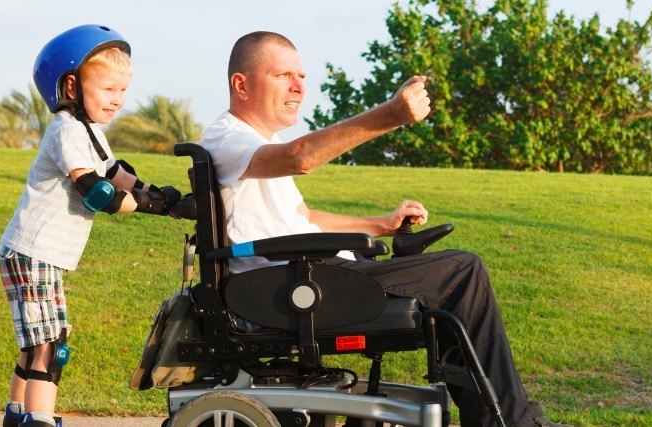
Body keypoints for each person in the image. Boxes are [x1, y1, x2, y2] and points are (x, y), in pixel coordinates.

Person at [197, 31, 569, 427]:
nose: (298, 86)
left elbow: (303, 218)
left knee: (452, 287)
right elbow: (301, 157)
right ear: (241, 84)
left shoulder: (255, 144)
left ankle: (507, 417)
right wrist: (390, 115)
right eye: (283, 74)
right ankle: (512, 422)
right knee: (462, 271)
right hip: (283, 291)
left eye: (302, 75)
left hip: (299, 280)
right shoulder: (227, 138)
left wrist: (381, 226)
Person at [0, 25, 184, 427]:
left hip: (34, 253)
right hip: (33, 252)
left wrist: (169, 200)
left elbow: (116, 173)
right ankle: (40, 419)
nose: (117, 100)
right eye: (107, 89)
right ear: (70, 86)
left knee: (35, 344)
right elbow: (98, 192)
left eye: (122, 91)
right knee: (50, 345)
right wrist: (150, 204)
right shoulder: (66, 129)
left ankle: (18, 414)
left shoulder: (88, 131)